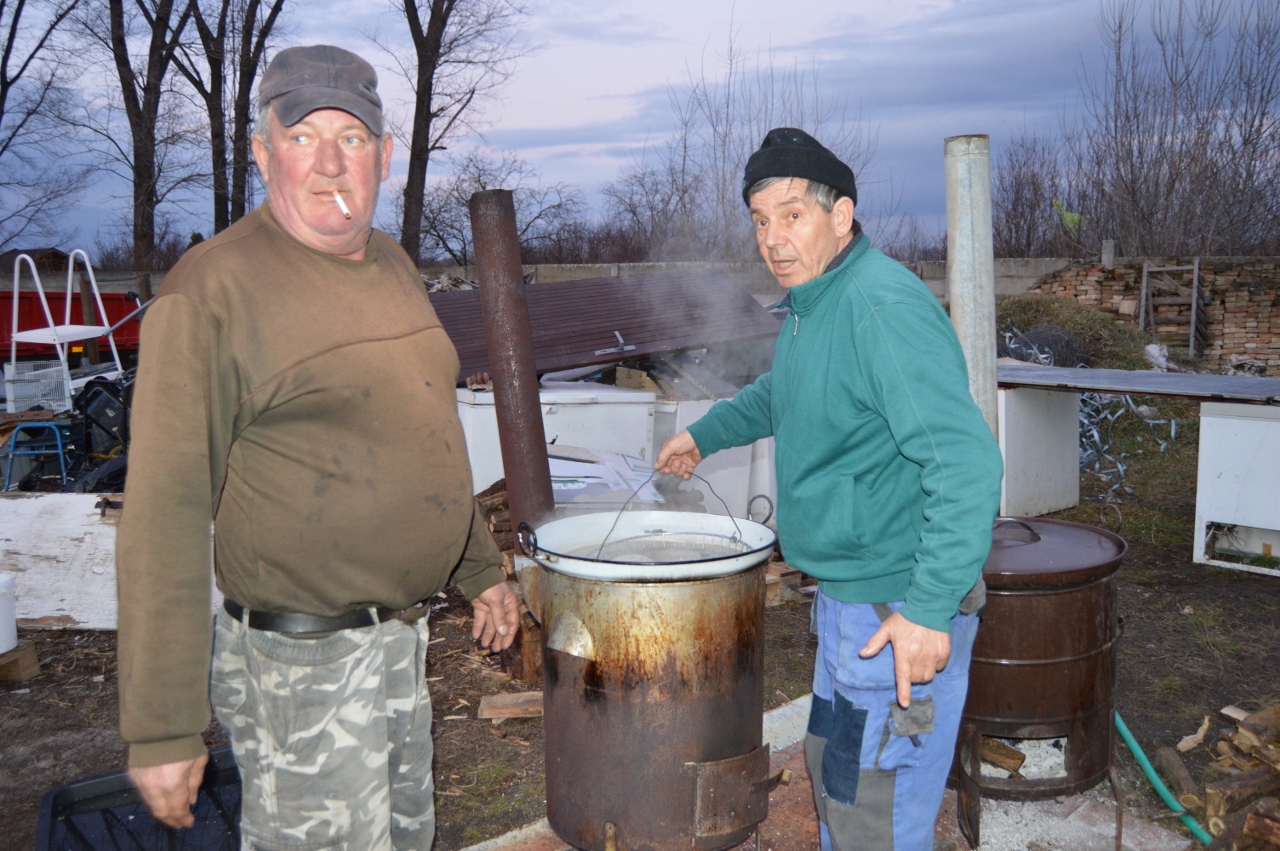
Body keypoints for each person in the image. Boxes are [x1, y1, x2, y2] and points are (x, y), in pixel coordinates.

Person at [116, 44, 520, 850]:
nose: (330, 162)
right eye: (302, 137)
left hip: (399, 643)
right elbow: (164, 513)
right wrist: (162, 726)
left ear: (385, 155)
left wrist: (481, 571)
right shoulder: (211, 292)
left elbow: (423, 437)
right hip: (301, 668)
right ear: (264, 152)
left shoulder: (393, 263)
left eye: (352, 138)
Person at [655, 127, 1003, 851]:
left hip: (897, 608)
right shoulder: (815, 301)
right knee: (841, 783)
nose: (772, 239)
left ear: (841, 215)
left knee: (878, 811)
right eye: (760, 220)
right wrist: (704, 435)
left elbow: (966, 463)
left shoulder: (879, 309)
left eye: (792, 215)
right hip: (849, 601)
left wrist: (929, 611)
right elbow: (783, 392)